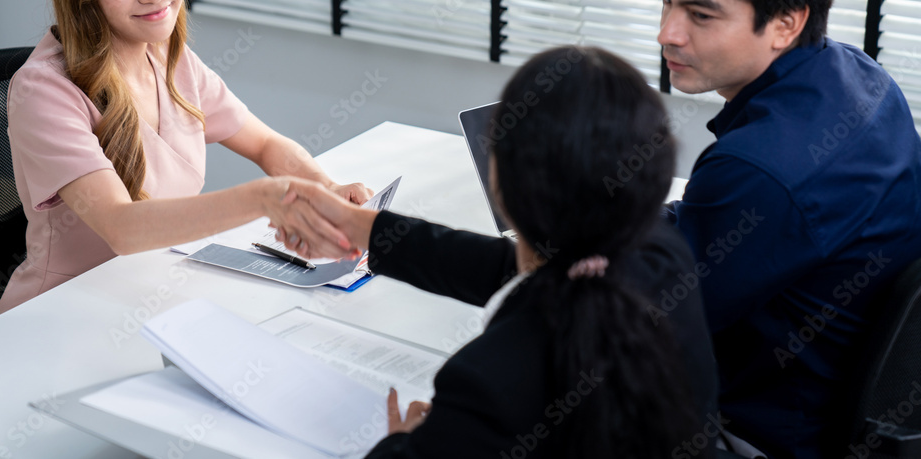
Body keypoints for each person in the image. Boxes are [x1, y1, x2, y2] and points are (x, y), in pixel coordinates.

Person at [286, 46, 720, 458]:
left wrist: (401, 442)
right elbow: (511, 271)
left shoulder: (486, 383)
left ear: (503, 188)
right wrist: (366, 228)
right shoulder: (664, 257)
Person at [0, 0, 368, 314]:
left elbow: (265, 143)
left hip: (156, 295)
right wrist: (266, 199)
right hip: (62, 316)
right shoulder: (43, 91)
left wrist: (326, 192)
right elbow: (122, 228)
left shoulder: (167, 58)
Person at [650, 0, 921, 458]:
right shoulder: (863, 76)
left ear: (785, 23)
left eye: (700, 14)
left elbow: (646, 326)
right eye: (666, 2)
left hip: (759, 428)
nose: (667, 34)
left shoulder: (758, 169)